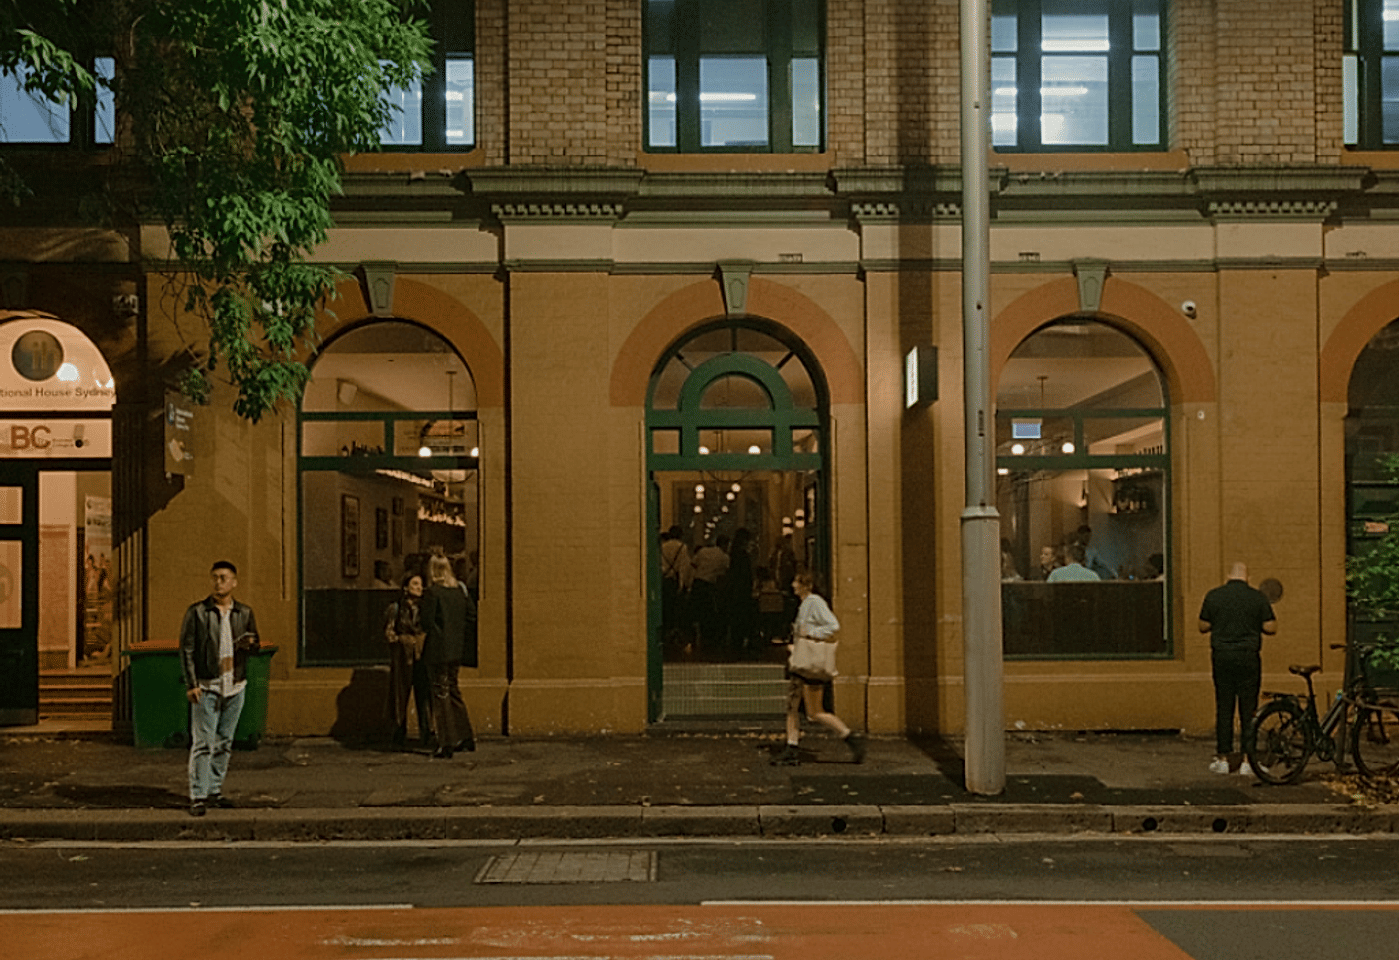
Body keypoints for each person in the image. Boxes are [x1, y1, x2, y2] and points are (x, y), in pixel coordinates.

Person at [179, 560, 259, 817]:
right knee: (203, 742)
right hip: (207, 686)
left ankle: (214, 789)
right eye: (214, 577)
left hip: (235, 685)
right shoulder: (198, 612)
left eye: (223, 577)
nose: (218, 582)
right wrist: (192, 684)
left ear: (234, 582)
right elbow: (187, 649)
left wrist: (250, 644)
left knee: (224, 741)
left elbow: (255, 644)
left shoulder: (244, 613)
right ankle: (198, 795)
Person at [771, 571, 865, 766]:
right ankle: (793, 747)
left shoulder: (814, 602)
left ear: (806, 585)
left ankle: (849, 737)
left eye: (797, 581)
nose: (793, 585)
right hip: (803, 662)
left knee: (813, 711)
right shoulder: (806, 603)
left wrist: (810, 633)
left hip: (809, 663)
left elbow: (833, 626)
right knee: (794, 707)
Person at [1198, 561, 1277, 776]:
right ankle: (1246, 760)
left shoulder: (1214, 596)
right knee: (1248, 710)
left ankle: (1223, 758)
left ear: (1228, 575)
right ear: (1248, 577)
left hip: (1222, 657)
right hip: (1248, 657)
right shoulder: (1257, 597)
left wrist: (1220, 623)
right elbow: (1271, 627)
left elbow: (1202, 626)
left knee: (1224, 706)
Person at [420, 553, 478, 759]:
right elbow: (471, 615)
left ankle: (446, 742)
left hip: (437, 649)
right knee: (453, 690)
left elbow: (426, 622)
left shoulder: (432, 593)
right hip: (456, 648)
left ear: (432, 571)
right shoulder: (459, 591)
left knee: (440, 693)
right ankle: (465, 736)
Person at [384, 572, 433, 750]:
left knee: (424, 695)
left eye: (420, 584)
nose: (419, 588)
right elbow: (389, 632)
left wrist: (422, 639)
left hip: (421, 656)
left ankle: (427, 733)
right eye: (415, 584)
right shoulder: (396, 608)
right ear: (406, 588)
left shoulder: (426, 607)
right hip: (403, 658)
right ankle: (398, 733)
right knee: (400, 695)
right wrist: (401, 640)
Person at [659, 525, 692, 644]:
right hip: (674, 581)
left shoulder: (663, 546)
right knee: (675, 610)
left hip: (664, 580)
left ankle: (665, 634)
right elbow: (684, 567)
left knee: (665, 609)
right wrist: (682, 584)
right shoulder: (682, 547)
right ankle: (674, 634)